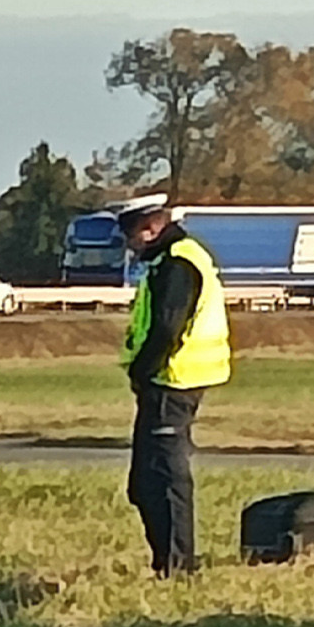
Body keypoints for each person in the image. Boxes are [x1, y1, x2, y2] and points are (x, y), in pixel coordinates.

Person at [116, 196, 232, 578]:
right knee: (144, 484)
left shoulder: (179, 264)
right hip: (166, 382)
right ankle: (168, 562)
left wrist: (142, 371)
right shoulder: (172, 259)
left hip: (172, 384)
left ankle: (179, 568)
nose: (129, 245)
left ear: (150, 229)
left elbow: (168, 327)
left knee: (164, 480)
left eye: (131, 235)